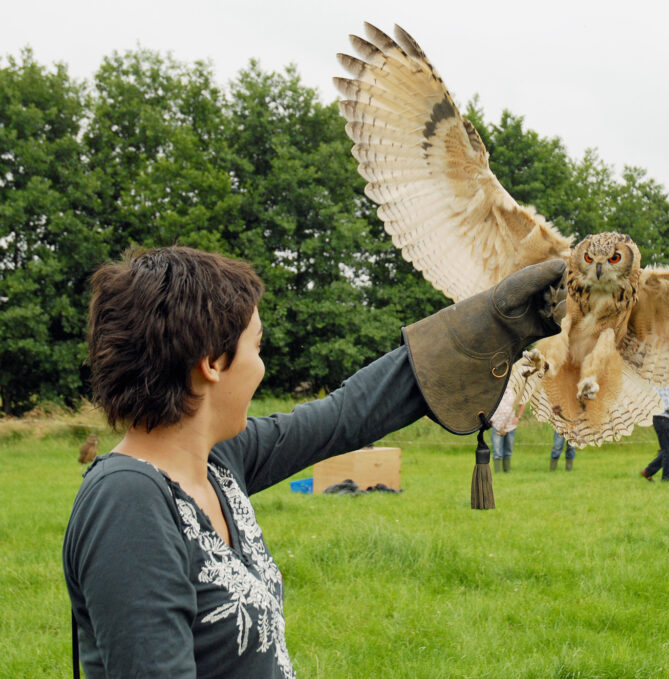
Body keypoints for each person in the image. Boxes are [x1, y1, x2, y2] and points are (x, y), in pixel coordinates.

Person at [62, 246, 565, 678]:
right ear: (212, 363)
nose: (263, 365)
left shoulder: (217, 462)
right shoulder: (127, 502)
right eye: (256, 347)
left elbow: (343, 416)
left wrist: (496, 323)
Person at [490, 385, 527, 473]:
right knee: (497, 451)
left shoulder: (513, 392)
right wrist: (491, 419)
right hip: (497, 425)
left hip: (510, 426)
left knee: (508, 450)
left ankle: (507, 471)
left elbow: (523, 404)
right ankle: (498, 472)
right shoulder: (495, 392)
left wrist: (518, 417)